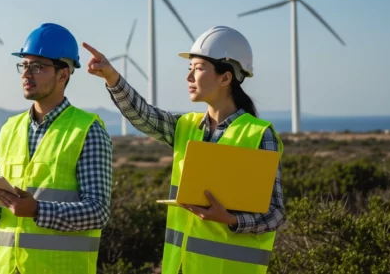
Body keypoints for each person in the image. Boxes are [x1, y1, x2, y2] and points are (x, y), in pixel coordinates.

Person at [84, 25, 285, 274]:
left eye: (198, 69)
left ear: (225, 77)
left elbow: (276, 214)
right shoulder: (185, 126)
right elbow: (143, 115)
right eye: (189, 69)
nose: (189, 78)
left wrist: (231, 220)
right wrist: (112, 77)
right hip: (178, 267)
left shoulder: (258, 135)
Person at [0, 23, 113, 274]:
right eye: (24, 65)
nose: (26, 74)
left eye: (38, 67)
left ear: (63, 74)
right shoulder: (9, 129)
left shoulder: (87, 130)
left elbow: (98, 212)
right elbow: (1, 216)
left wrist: (37, 210)